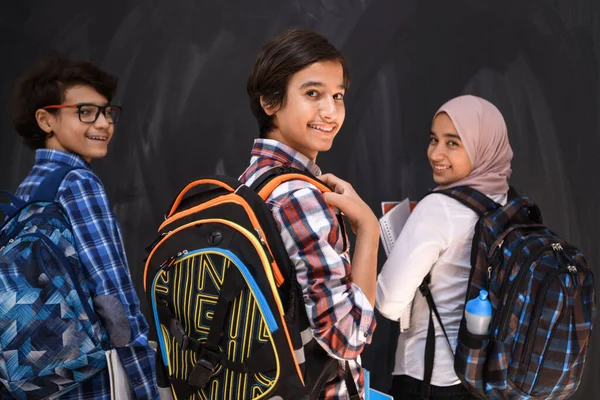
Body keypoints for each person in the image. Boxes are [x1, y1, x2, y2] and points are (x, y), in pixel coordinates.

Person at [240, 28, 379, 399]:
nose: (330, 112)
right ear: (269, 101)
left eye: (338, 96)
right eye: (312, 93)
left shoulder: (250, 182)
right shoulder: (298, 196)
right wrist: (368, 229)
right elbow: (347, 336)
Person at [9, 55, 159, 399]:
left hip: (41, 376)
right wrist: (146, 381)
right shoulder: (78, 182)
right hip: (90, 378)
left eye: (107, 112)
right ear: (46, 120)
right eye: (85, 112)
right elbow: (112, 297)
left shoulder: (31, 186)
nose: (104, 123)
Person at [376, 95, 513, 399]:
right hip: (484, 377)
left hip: (428, 378)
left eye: (453, 143)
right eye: (434, 139)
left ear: (481, 147)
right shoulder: (507, 204)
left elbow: (388, 303)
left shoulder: (439, 208)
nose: (435, 153)